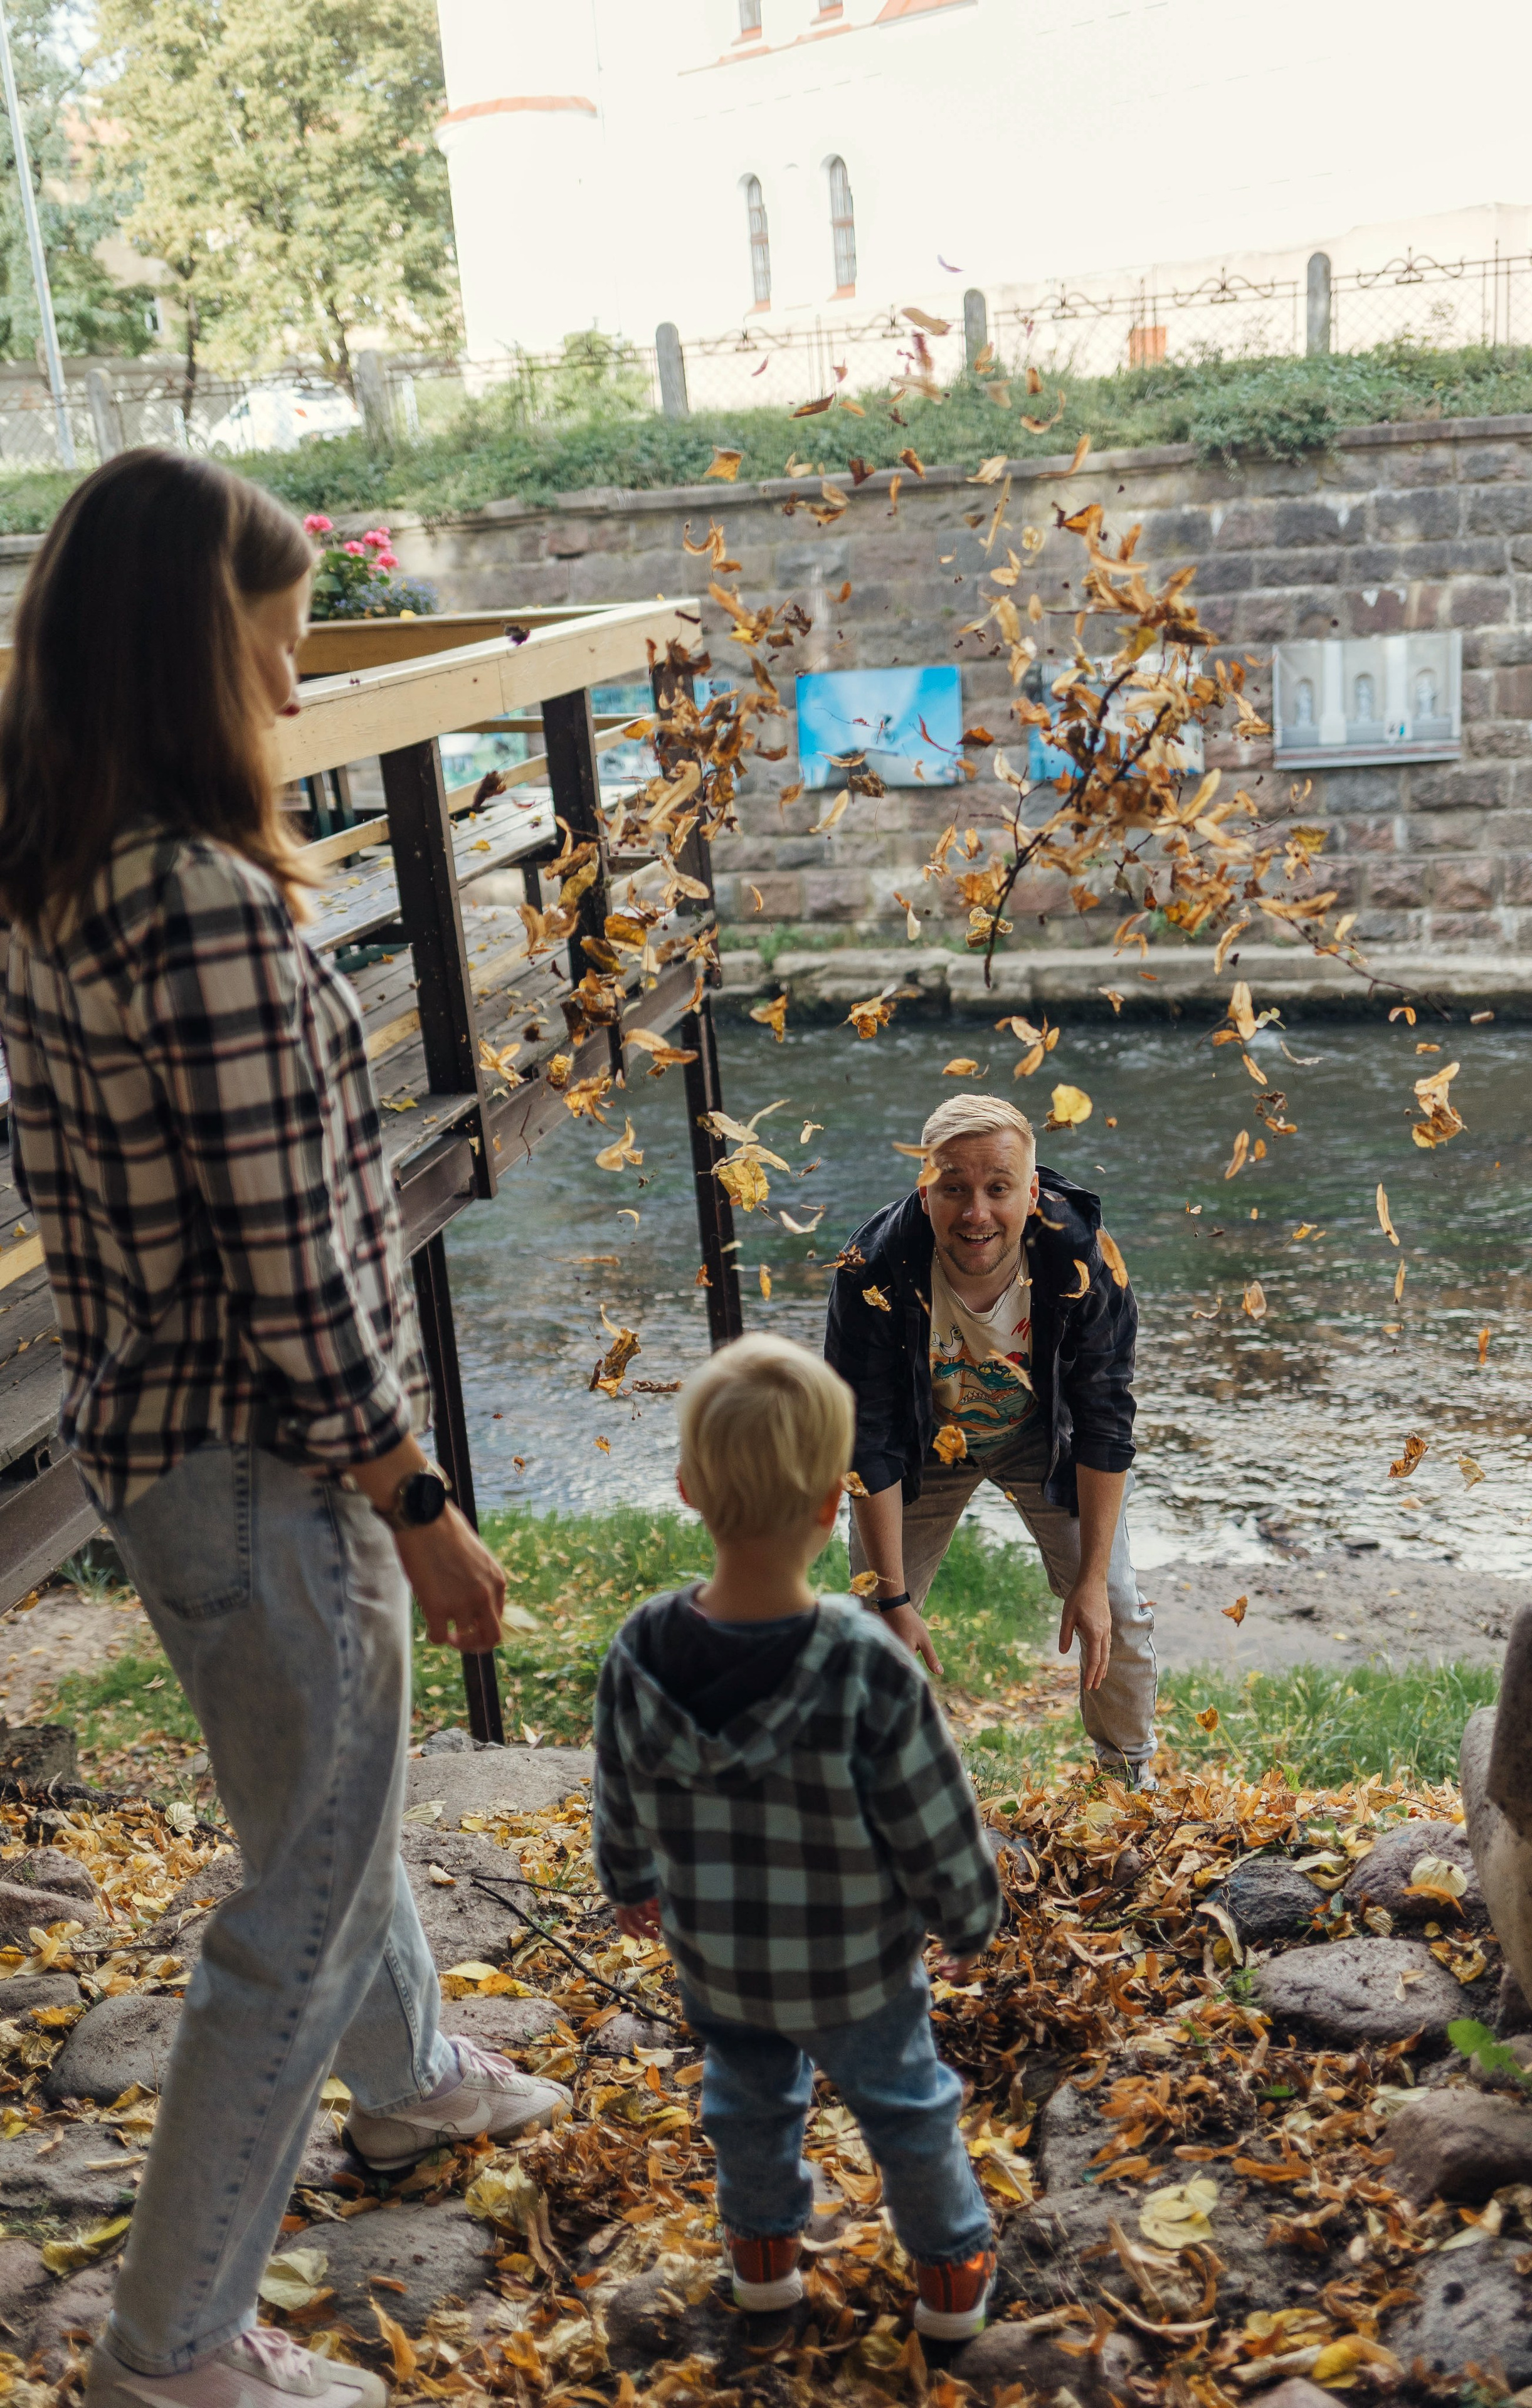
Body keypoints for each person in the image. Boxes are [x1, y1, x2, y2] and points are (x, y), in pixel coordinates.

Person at [0, 450, 569, 2408]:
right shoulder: (211, 910)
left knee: (314, 1810)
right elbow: (296, 1270)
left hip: (150, 1449)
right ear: (196, 642)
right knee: (294, 1902)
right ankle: (173, 2345)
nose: (303, 677)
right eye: (282, 632)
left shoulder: (57, 876)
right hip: (265, 1461)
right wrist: (416, 1494)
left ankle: (410, 2080)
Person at [590, 1334, 1003, 2342]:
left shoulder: (641, 1648)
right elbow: (930, 1811)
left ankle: (763, 2260)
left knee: (749, 2102)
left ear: (688, 1488)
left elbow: (621, 1784)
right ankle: (949, 2278)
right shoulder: (864, 1663)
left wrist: (630, 1879)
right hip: (857, 1963)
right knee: (905, 2102)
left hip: (722, 1959)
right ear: (832, 1506)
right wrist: (967, 1911)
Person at [823, 1092, 1153, 1783]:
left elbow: (1104, 1421)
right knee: (869, 1622)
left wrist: (1089, 1581)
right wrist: (891, 1597)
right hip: (922, 1439)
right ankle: (867, 1790)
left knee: (1116, 1605)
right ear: (924, 1191)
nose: (976, 1213)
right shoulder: (871, 1271)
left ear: (1030, 1193)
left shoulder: (1084, 1263)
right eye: (953, 1189)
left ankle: (1129, 1779)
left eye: (998, 1188)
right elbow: (868, 1439)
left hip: (1040, 1435)